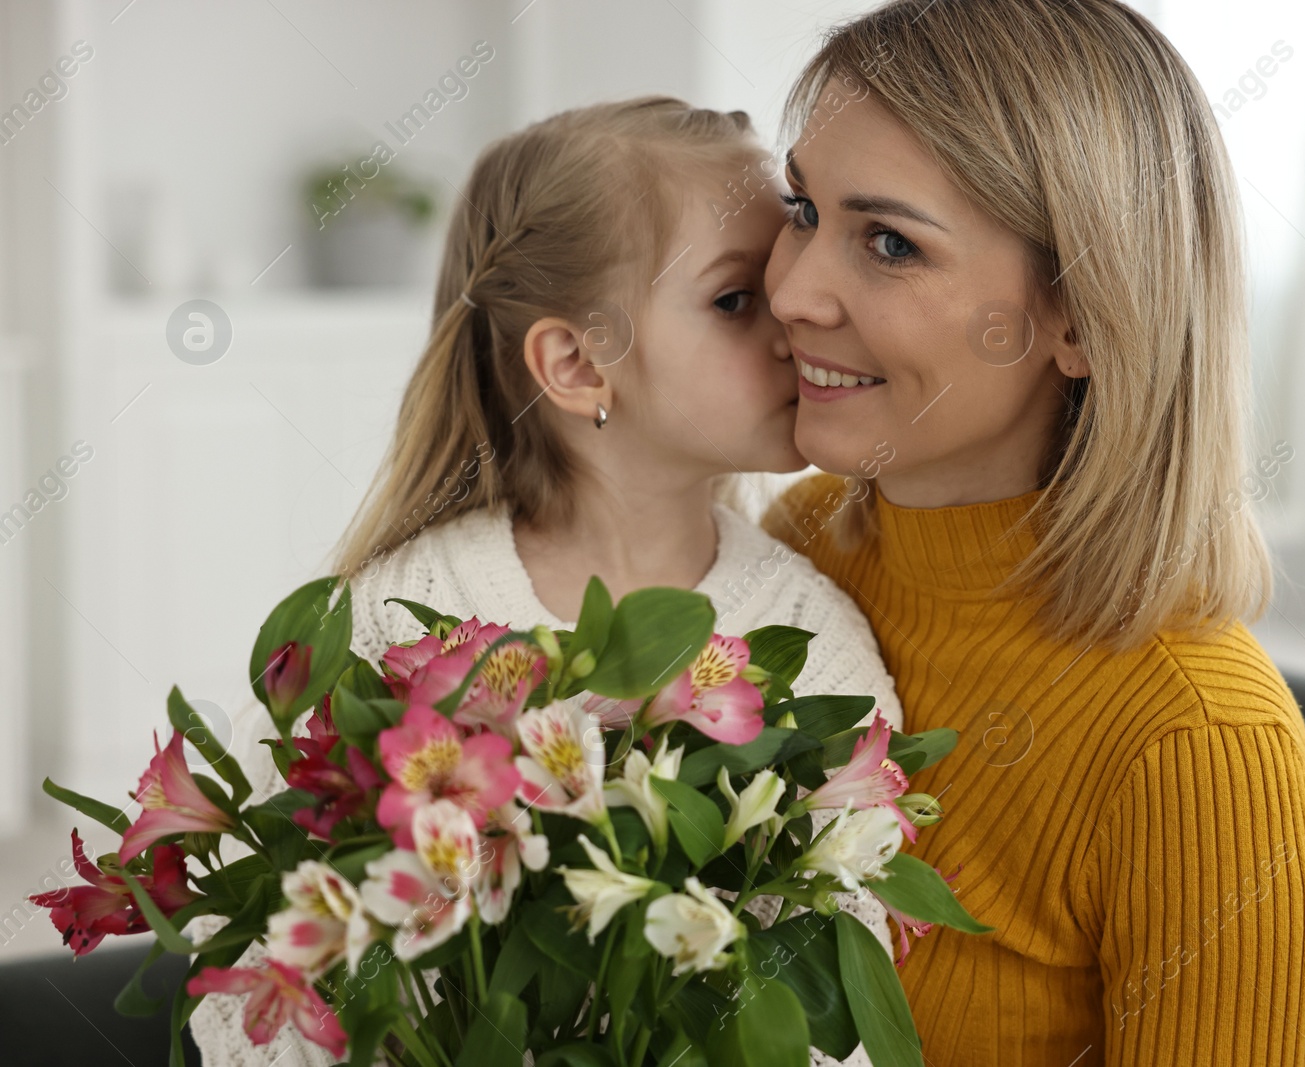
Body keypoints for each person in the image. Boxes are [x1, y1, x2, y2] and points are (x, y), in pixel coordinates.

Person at [188, 97, 901, 1067]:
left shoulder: (809, 633)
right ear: (574, 362)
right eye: (736, 298)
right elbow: (248, 963)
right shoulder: (393, 614)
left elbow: (841, 984)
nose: (791, 319)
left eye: (778, 276)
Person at [759, 2, 1305, 1063]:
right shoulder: (800, 551)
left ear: (1077, 314)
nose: (790, 292)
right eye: (801, 208)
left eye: (889, 242)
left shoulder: (1199, 744)